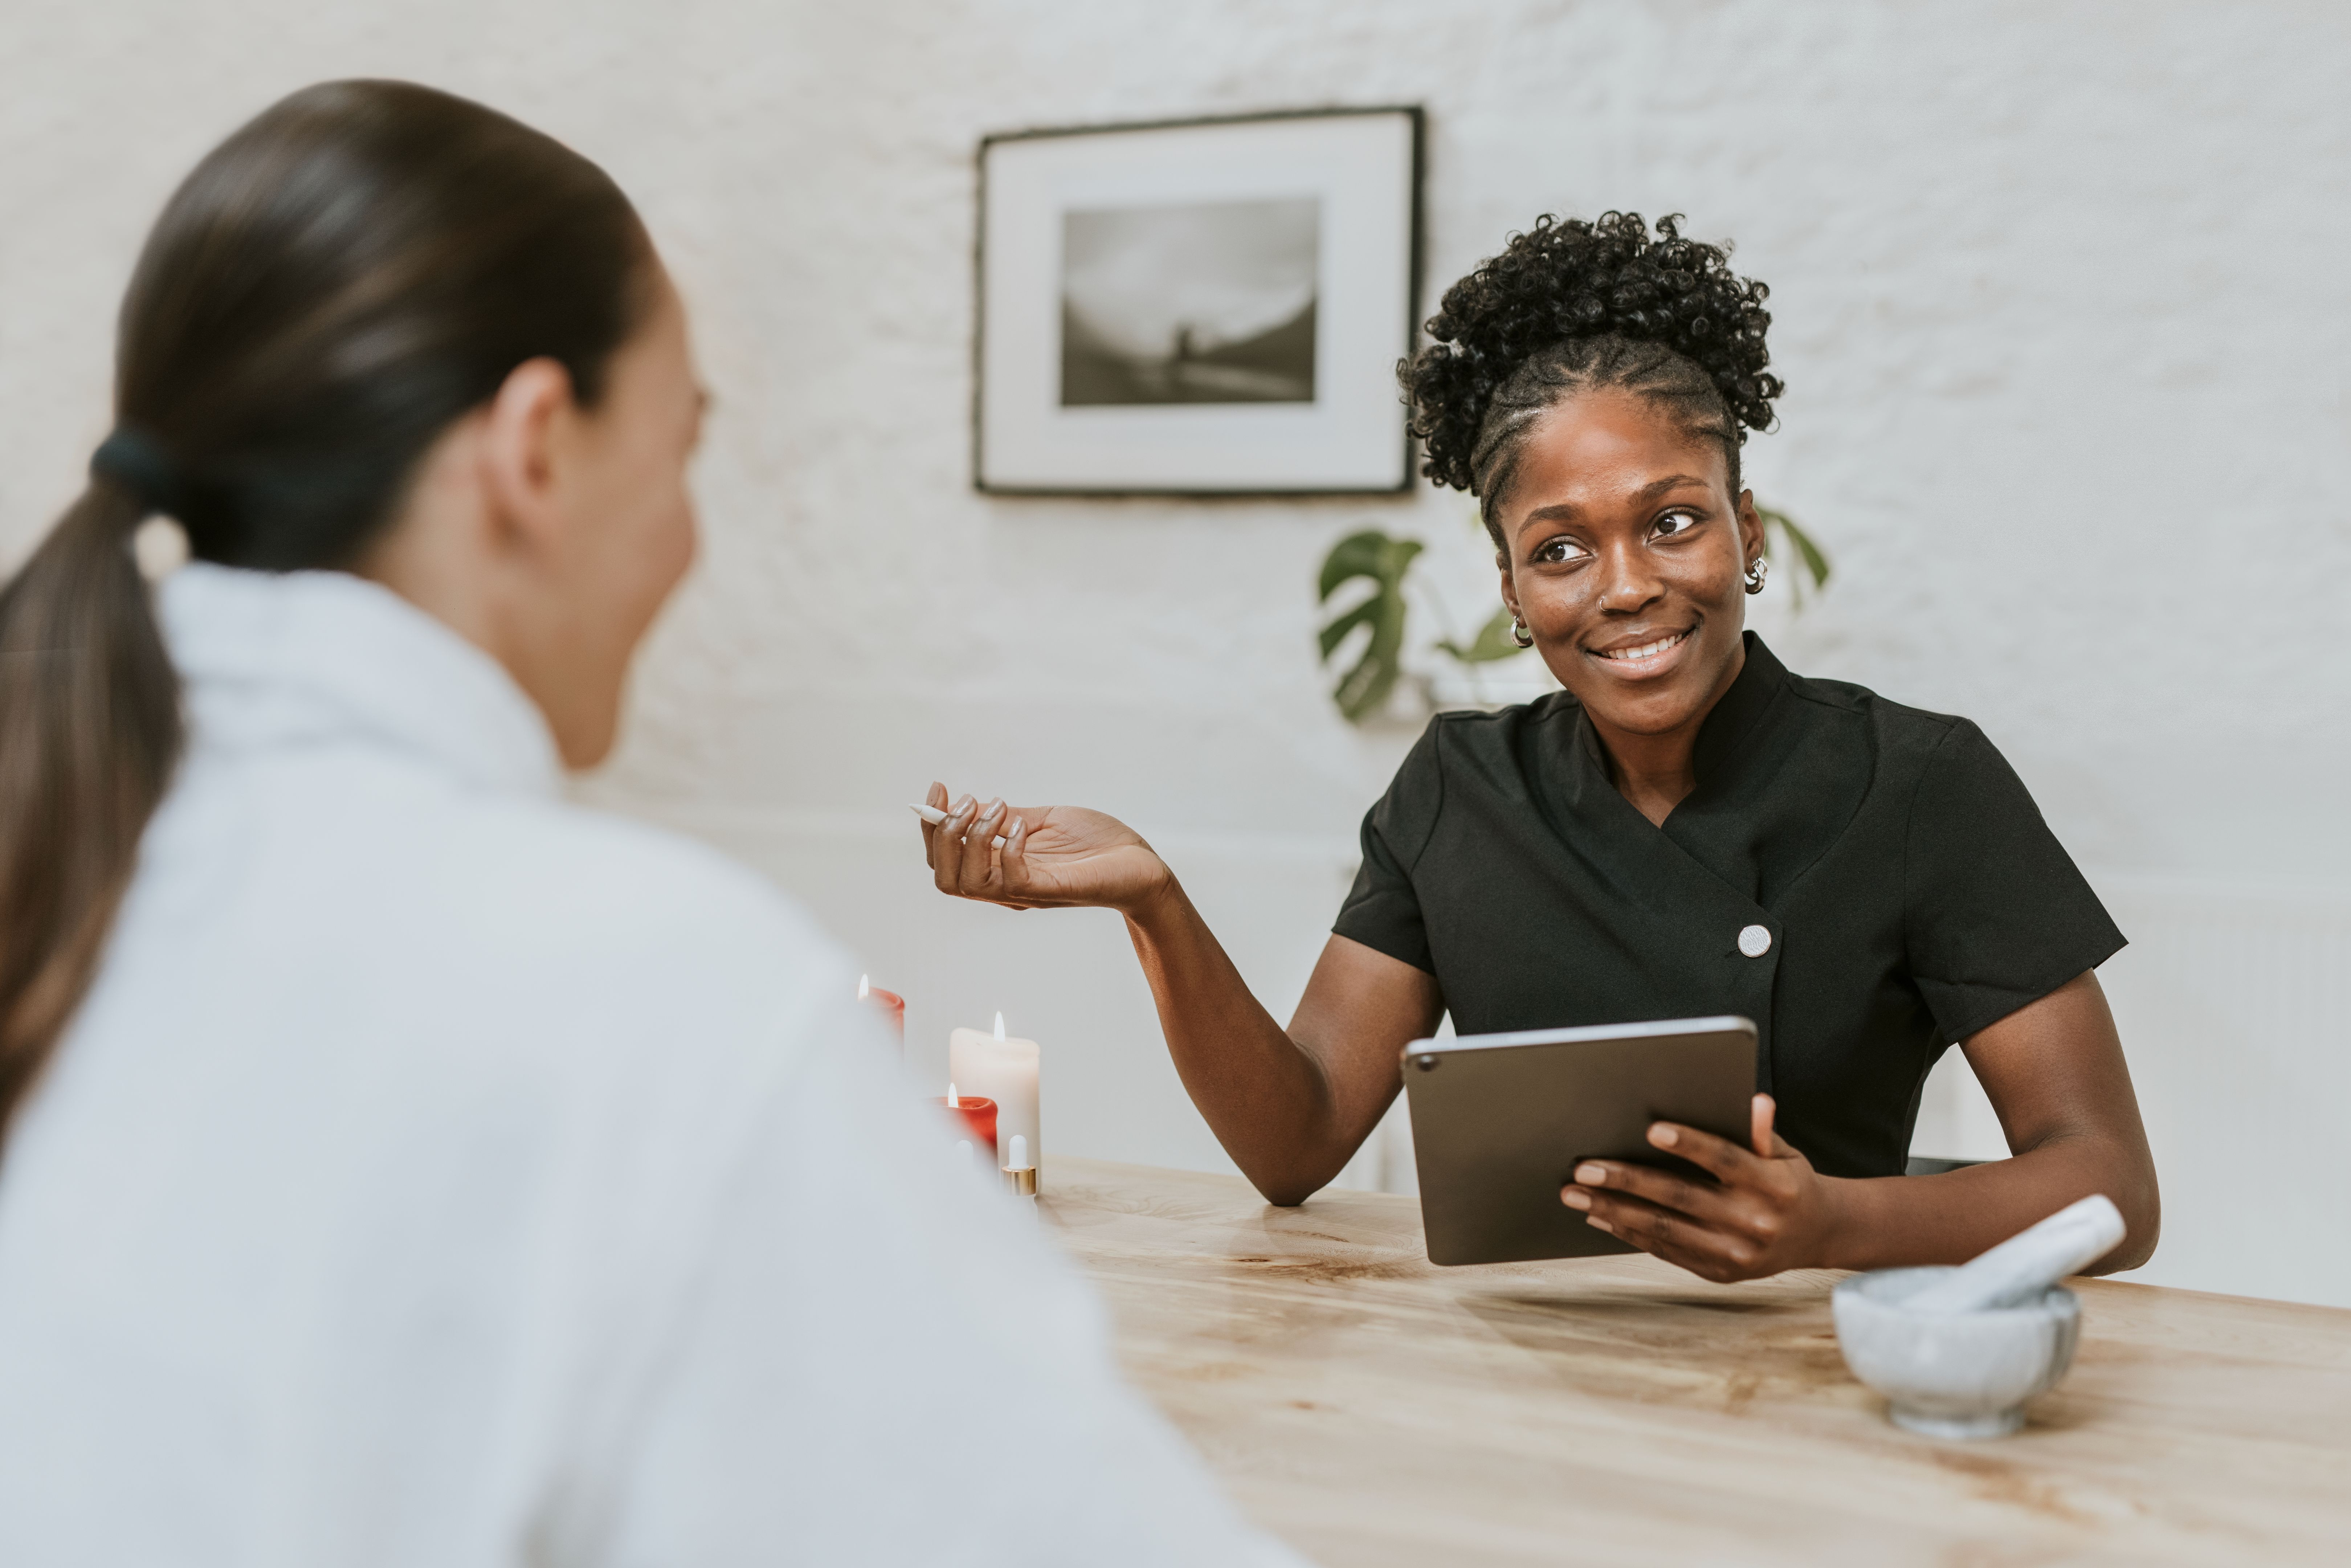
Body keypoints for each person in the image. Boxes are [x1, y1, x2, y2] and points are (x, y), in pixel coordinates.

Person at [0, 81, 1302, 1567]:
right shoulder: (648, 997)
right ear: (535, 447)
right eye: (681, 451)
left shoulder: (61, 867)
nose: (689, 540)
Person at [921, 212, 2159, 1286]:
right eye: (1560, 549)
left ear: (1749, 532)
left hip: (1813, 1365)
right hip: (1522, 1369)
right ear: (1512, 588)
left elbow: (2110, 1190)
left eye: (1673, 523)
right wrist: (1156, 902)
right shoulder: (1462, 790)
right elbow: (1296, 1148)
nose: (1625, 588)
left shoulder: (1920, 783)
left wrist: (1833, 1220)